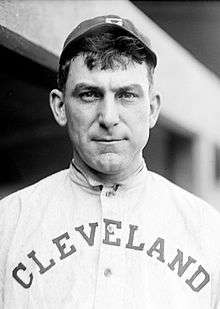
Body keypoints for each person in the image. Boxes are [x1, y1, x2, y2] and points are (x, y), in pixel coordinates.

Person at [0, 14, 220, 309]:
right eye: (89, 94)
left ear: (152, 109)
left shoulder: (207, 229)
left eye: (127, 95)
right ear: (60, 106)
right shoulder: (9, 222)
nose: (108, 118)